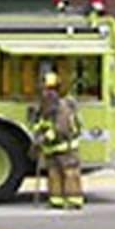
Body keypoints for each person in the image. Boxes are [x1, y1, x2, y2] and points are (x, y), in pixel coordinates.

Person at [30, 71, 84, 210]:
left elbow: (61, 128)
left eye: (49, 90)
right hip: (52, 149)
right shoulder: (45, 108)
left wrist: (45, 138)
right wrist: (37, 134)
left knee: (70, 174)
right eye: (44, 90)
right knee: (53, 175)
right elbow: (41, 125)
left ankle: (74, 201)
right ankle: (56, 201)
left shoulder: (63, 106)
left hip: (66, 148)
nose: (45, 94)